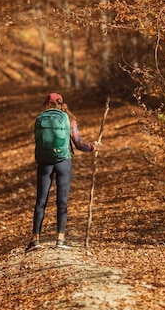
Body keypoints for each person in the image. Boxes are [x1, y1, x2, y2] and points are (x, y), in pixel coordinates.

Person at [26, 92, 98, 252]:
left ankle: (35, 239)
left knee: (41, 201)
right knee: (62, 201)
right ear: (61, 103)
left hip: (45, 164)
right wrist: (92, 147)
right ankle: (60, 239)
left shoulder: (40, 118)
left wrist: (38, 161)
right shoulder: (69, 119)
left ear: (47, 103)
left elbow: (38, 143)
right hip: (63, 162)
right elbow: (78, 144)